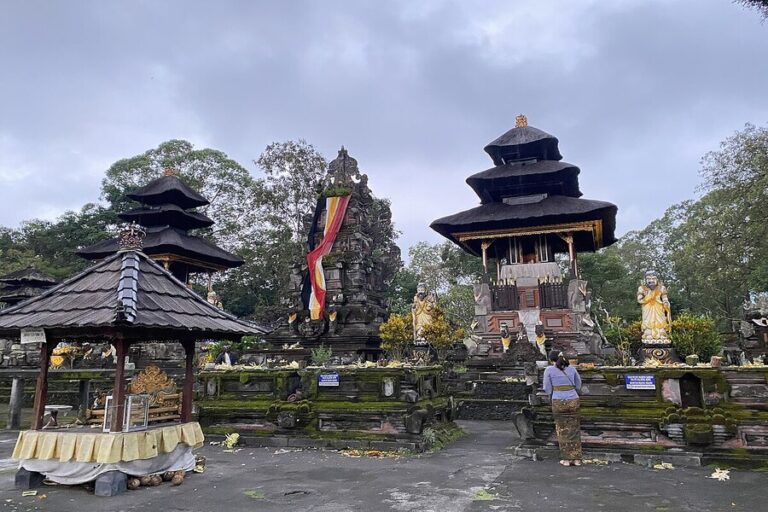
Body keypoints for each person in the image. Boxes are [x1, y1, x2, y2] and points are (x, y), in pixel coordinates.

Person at [543, 350, 582, 466]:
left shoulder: (549, 370)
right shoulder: (572, 369)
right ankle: (577, 459)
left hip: (558, 400)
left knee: (562, 429)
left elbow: (546, 388)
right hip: (573, 400)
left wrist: (555, 393)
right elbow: (579, 385)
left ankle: (566, 459)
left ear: (551, 360)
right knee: (574, 428)